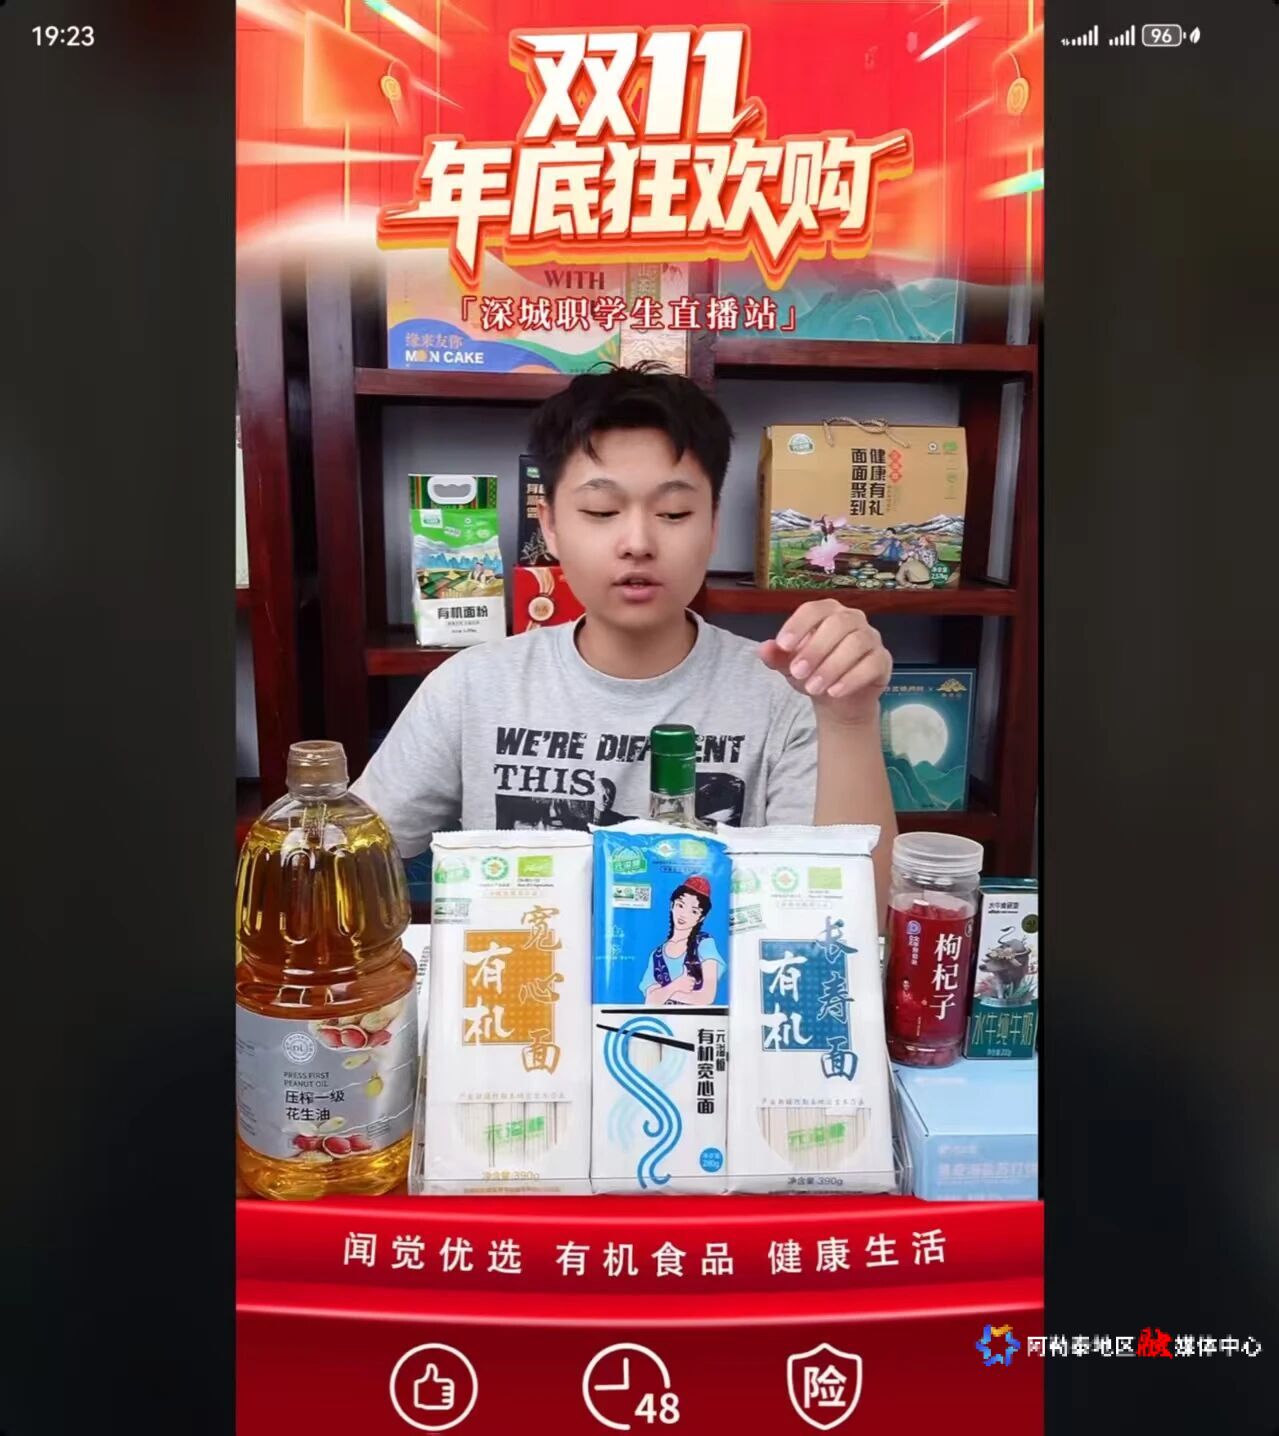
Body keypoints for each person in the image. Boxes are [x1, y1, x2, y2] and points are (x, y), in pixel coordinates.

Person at [353, 363, 898, 915]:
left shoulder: (786, 696)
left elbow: (855, 919)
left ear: (712, 525)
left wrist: (848, 719)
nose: (637, 542)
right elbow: (346, 861)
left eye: (673, 512)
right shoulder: (472, 686)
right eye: (602, 511)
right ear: (550, 526)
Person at [641, 876, 723, 1007]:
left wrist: (662, 993)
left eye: (694, 911)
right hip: (662, 1019)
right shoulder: (656, 955)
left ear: (701, 918)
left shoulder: (704, 943)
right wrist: (676, 985)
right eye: (680, 905)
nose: (684, 914)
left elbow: (707, 997)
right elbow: (650, 1001)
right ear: (672, 905)